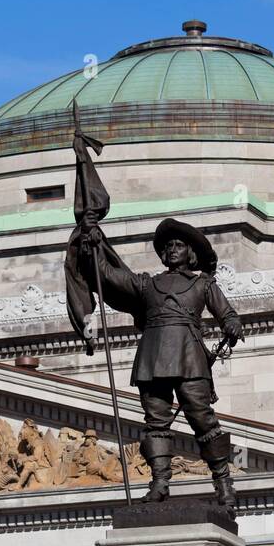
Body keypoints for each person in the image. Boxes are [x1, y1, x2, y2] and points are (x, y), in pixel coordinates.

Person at [78, 216, 244, 510]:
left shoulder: (203, 284)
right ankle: (160, 482)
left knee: (202, 418)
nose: (171, 250)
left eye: (178, 245)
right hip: (153, 357)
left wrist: (232, 325)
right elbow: (108, 277)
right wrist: (92, 245)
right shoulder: (147, 284)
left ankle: (223, 482)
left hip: (189, 356)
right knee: (156, 422)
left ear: (190, 252)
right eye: (168, 246)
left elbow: (227, 314)